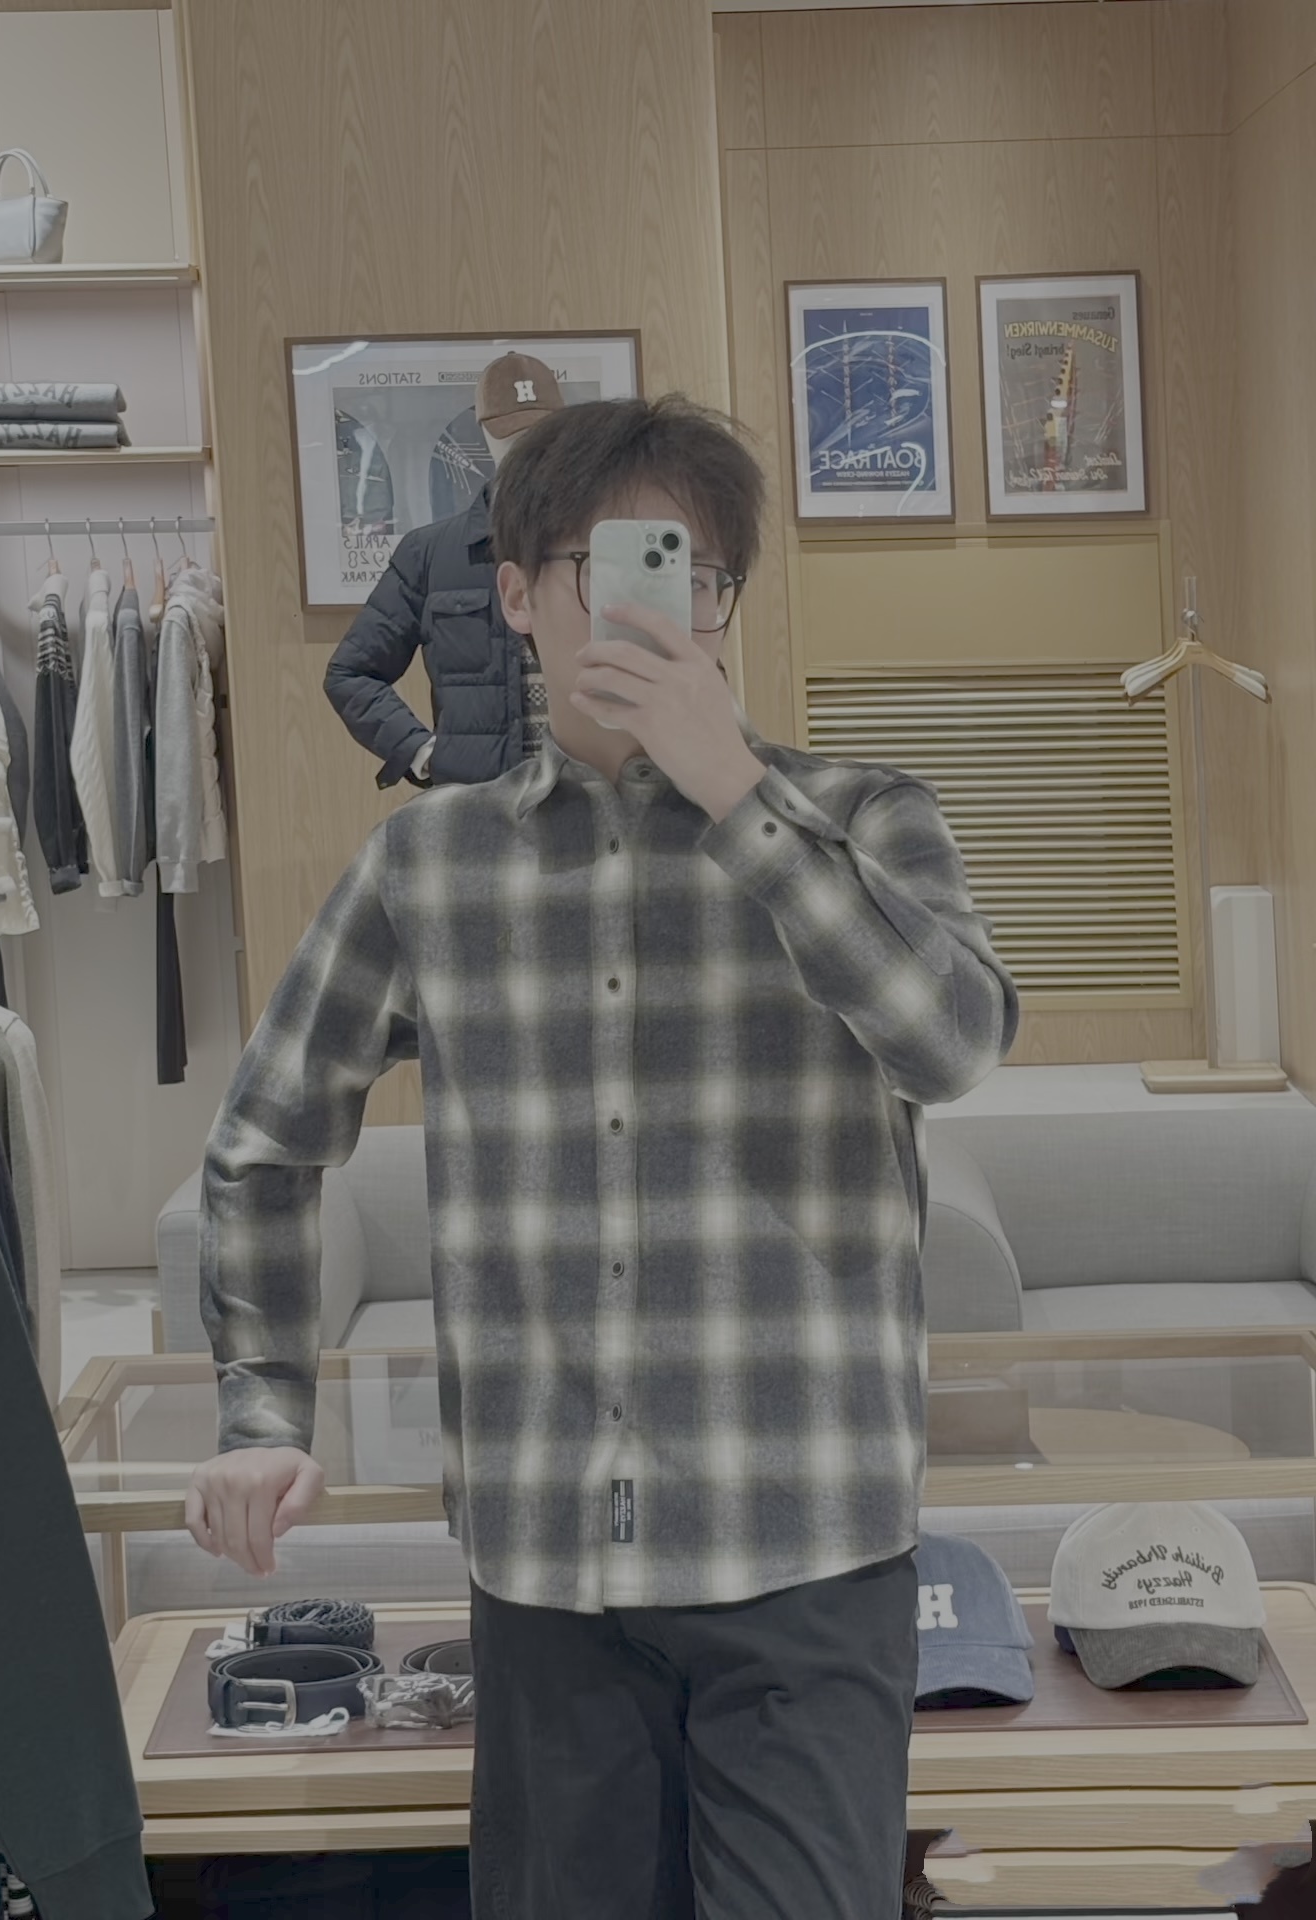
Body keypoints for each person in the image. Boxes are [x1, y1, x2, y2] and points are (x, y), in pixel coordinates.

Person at [188, 395, 1021, 1919]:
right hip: (548, 1573)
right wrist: (261, 1407)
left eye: (697, 574)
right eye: (618, 564)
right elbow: (264, 1136)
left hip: (808, 1557)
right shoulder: (430, 863)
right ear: (517, 593)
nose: (666, 606)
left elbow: (954, 1044)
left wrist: (739, 799)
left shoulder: (868, 821)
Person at [323, 351, 564, 789]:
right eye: (511, 436)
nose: (528, 449)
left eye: (542, 433)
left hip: (588, 800)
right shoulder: (430, 555)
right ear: (484, 433)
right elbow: (351, 673)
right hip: (479, 806)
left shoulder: (598, 544)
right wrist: (423, 754)